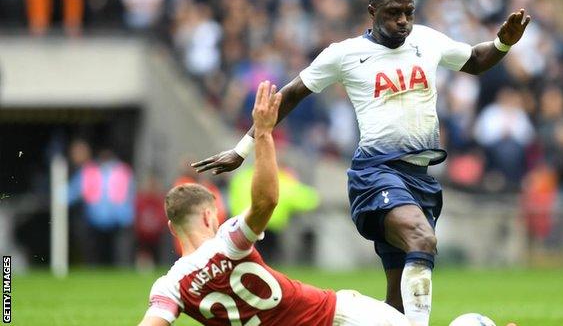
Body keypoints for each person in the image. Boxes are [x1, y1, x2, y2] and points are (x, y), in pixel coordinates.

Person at [192, 0, 531, 325]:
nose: (403, 20)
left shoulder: (426, 41)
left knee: (397, 303)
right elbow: (291, 93)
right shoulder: (346, 54)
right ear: (372, 12)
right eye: (393, 13)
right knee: (422, 238)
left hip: (419, 179)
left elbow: (474, 59)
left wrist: (503, 42)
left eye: (408, 13)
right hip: (376, 174)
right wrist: (243, 147)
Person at [138, 81, 410, 326]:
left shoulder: (170, 286)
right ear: (210, 216)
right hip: (335, 316)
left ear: (173, 228)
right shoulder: (227, 242)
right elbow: (266, 201)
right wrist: (264, 134)